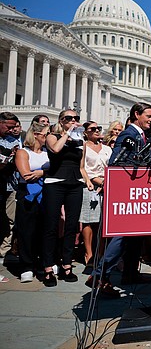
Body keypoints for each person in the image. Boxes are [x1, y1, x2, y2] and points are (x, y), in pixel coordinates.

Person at [86, 102, 151, 296]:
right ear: (136, 114)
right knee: (122, 237)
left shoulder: (141, 136)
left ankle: (130, 273)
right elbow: (116, 162)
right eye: (148, 116)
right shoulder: (129, 135)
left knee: (134, 237)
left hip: (136, 193)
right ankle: (99, 275)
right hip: (126, 193)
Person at [41, 109, 93, 287]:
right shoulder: (52, 136)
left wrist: (86, 180)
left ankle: (67, 265)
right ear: (61, 121)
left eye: (76, 118)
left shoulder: (81, 142)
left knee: (72, 226)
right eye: (69, 118)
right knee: (51, 225)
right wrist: (68, 133)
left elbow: (81, 165)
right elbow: (55, 150)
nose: (73, 121)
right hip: (55, 182)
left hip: (75, 184)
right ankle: (48, 267)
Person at [14, 122, 50, 282]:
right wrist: (45, 172)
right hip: (28, 193)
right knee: (26, 230)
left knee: (44, 229)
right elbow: (26, 174)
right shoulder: (23, 152)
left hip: (46, 193)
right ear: (36, 135)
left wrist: (41, 172)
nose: (48, 137)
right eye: (45, 134)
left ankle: (42, 263)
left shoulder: (47, 152)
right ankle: (26, 265)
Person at [80, 121, 112, 269]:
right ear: (85, 132)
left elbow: (111, 166)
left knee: (102, 222)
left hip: (107, 185)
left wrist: (107, 183)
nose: (97, 131)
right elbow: (84, 168)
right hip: (90, 185)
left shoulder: (106, 148)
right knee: (88, 220)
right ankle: (89, 253)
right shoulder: (83, 147)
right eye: (92, 129)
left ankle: (100, 253)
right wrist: (99, 182)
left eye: (98, 128)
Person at [0, 112, 21, 266]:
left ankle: (3, 254)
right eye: (9, 126)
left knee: (10, 221)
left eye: (14, 127)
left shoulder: (13, 141)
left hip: (10, 185)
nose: (12, 130)